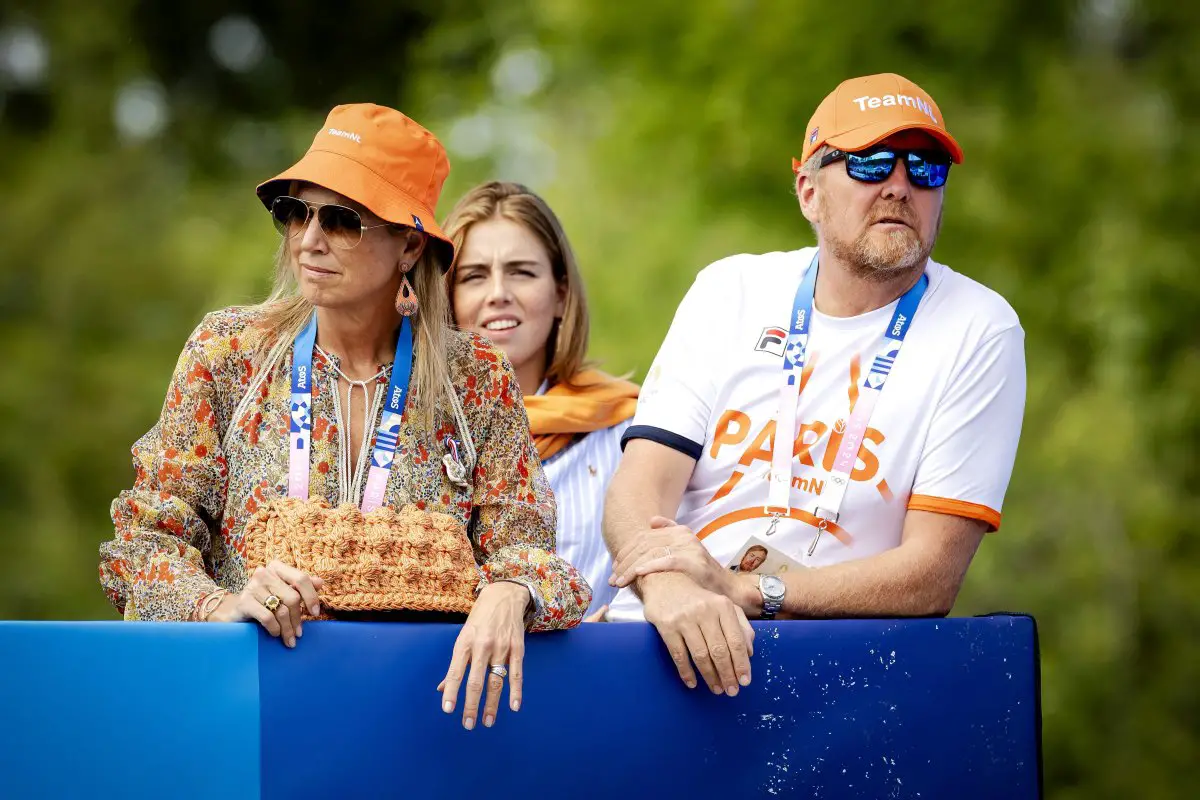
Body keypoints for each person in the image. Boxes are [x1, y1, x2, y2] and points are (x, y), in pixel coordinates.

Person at [98, 104, 591, 731]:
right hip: (247, 718)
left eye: (342, 220)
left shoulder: (477, 379)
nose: (309, 239)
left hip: (424, 721)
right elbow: (142, 543)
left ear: (410, 244)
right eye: (295, 212)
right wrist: (219, 605)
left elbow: (531, 550)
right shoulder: (227, 352)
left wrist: (511, 590)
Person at [602, 73, 1027, 698]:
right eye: (870, 163)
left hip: (833, 672)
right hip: (661, 638)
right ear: (808, 190)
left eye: (926, 168)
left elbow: (931, 575)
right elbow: (639, 487)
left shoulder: (980, 327)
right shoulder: (731, 290)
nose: (900, 186)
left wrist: (746, 591)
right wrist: (667, 586)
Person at [444, 181, 638, 620]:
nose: (498, 293)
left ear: (561, 295)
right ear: (447, 299)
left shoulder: (628, 434)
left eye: (521, 272)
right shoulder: (408, 432)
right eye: (474, 276)